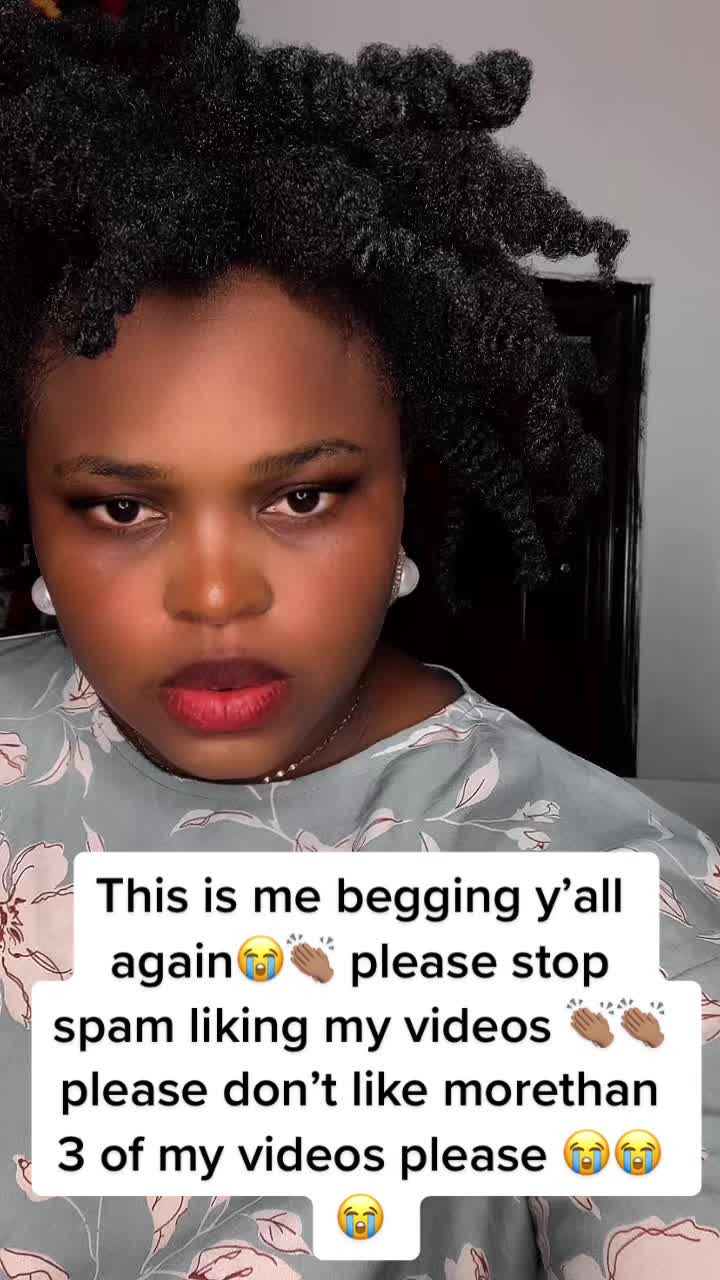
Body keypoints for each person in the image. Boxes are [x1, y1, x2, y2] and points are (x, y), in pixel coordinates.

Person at [0, 2, 718, 1277]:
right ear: (32, 521)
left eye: (302, 495)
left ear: (405, 494)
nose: (215, 594)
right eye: (121, 507)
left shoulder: (609, 895)